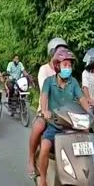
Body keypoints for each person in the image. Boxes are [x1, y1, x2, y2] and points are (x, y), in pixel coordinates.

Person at [38, 48, 94, 186]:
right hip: (55, 125)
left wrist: (90, 114)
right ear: (57, 66)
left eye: (70, 66)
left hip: (72, 125)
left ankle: (86, 175)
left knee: (88, 141)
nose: (68, 68)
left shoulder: (74, 82)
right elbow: (44, 97)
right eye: (65, 65)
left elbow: (82, 99)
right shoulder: (48, 81)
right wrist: (45, 110)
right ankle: (42, 178)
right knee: (45, 146)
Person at [28, 37, 68, 175]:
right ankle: (31, 158)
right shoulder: (43, 70)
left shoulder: (66, 70)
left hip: (65, 112)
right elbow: (46, 91)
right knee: (39, 126)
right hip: (46, 110)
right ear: (52, 53)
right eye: (59, 52)